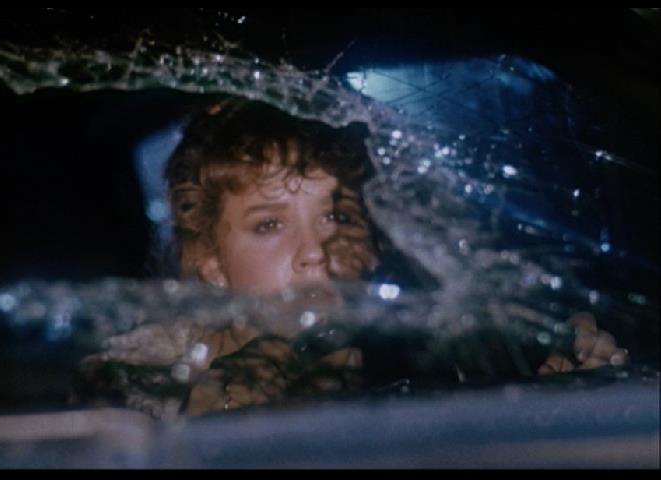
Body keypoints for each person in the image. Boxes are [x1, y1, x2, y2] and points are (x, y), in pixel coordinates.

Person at [75, 99, 628, 418]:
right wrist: (220, 413)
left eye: (337, 216)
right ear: (212, 263)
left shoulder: (432, 353)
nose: (315, 253)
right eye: (269, 225)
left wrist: (563, 397)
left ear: (372, 246)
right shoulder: (141, 379)